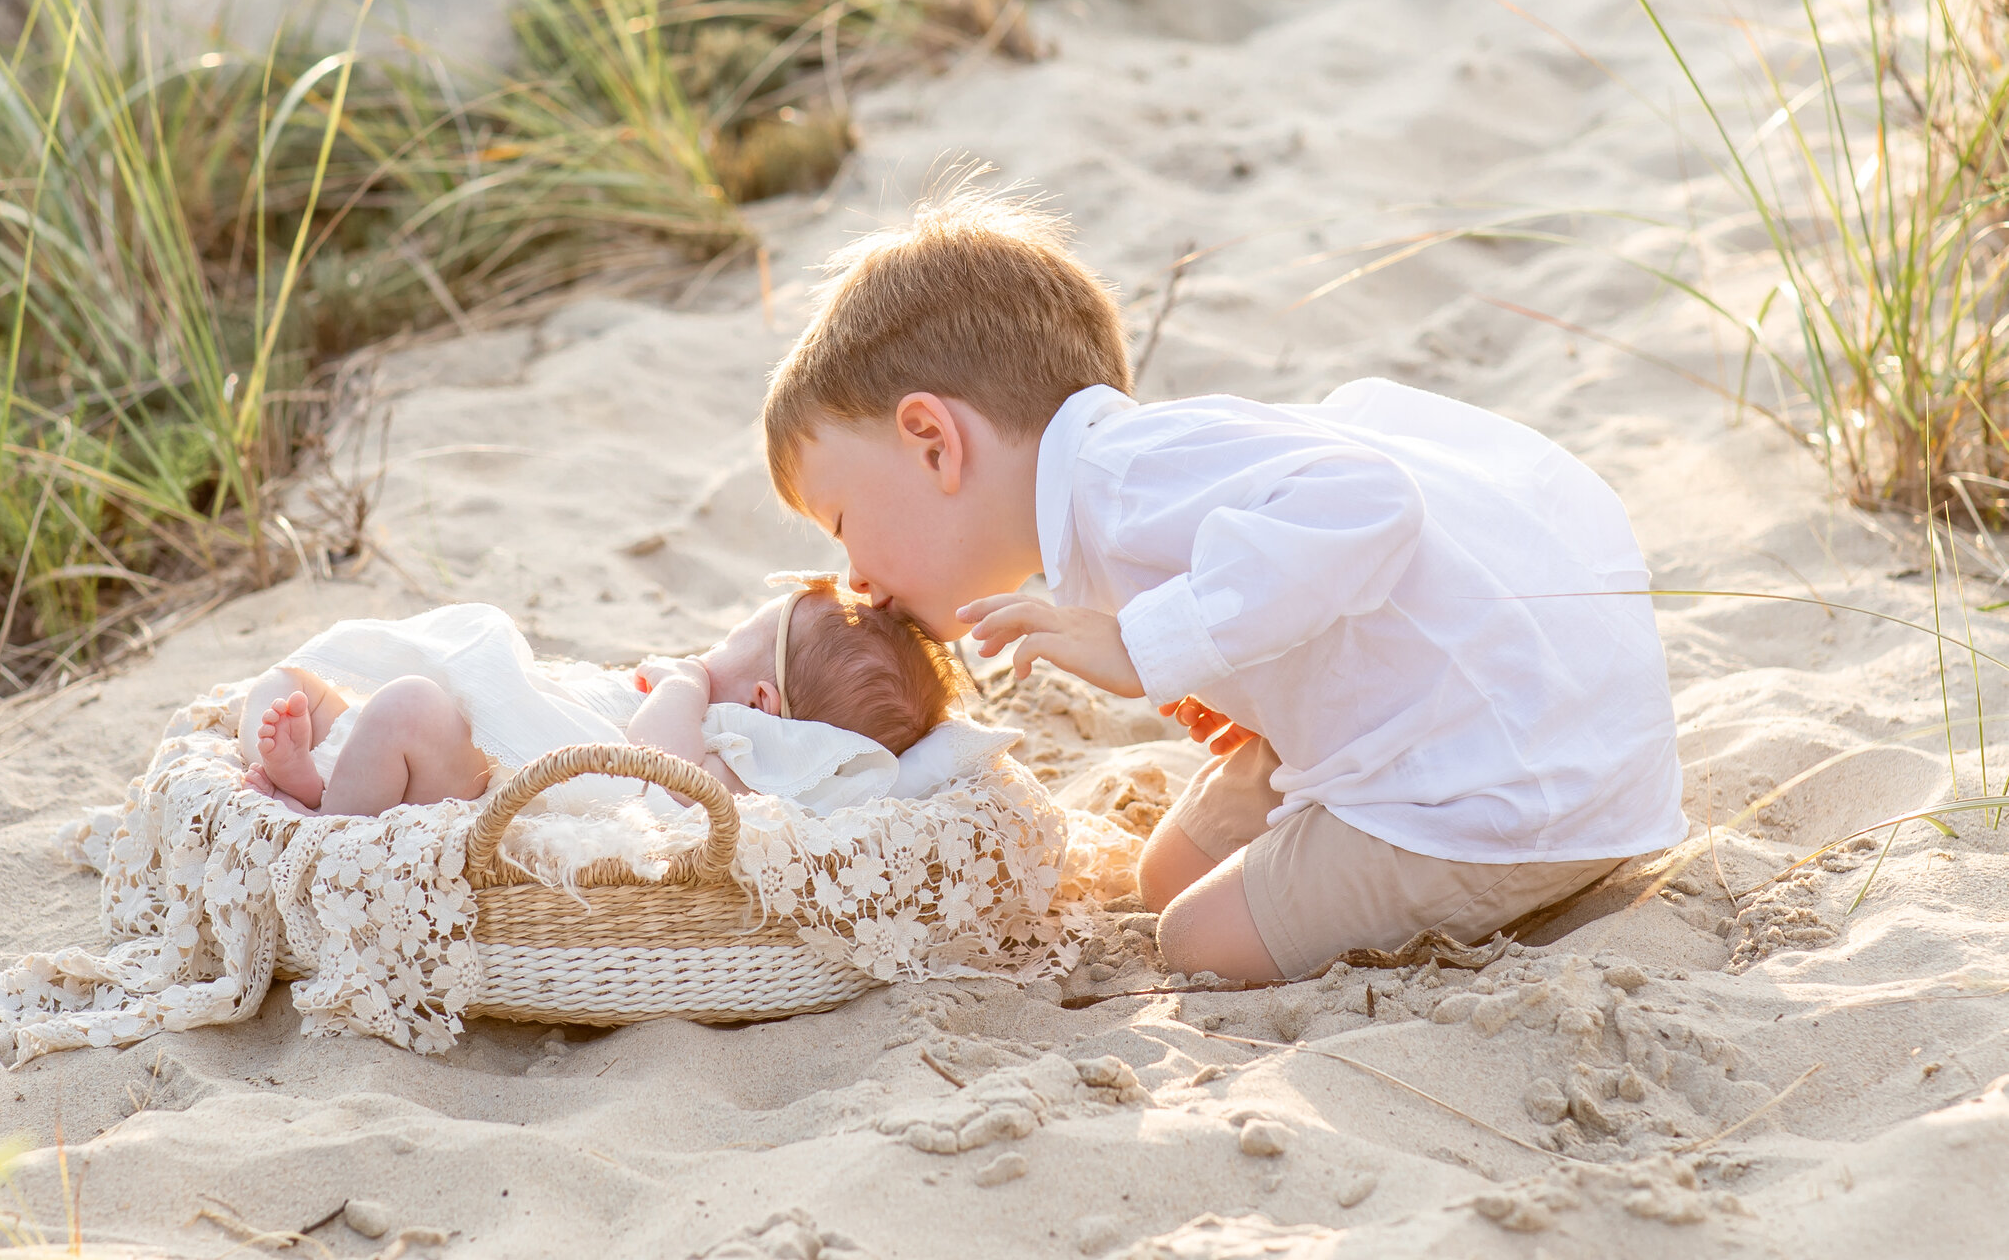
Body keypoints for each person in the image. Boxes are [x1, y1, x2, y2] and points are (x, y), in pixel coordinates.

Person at [759, 191, 1685, 982]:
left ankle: (1503, 866)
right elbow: (1327, 579)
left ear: (933, 441)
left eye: (843, 523)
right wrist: (1248, 677)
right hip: (1467, 709)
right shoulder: (1116, 484)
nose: (858, 580)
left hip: (1504, 778)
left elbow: (1366, 502)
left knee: (1197, 936)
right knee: (1168, 871)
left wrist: (1144, 647)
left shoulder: (1127, 479)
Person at [240, 582, 959, 819]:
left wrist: (684, 685)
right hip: (464, 751)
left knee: (406, 707)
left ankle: (323, 824)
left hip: (483, 785)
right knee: (289, 684)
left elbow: (661, 773)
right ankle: (319, 777)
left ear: (764, 700)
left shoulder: (746, 756)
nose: (715, 646)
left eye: (741, 633)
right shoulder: (726, 716)